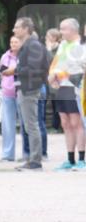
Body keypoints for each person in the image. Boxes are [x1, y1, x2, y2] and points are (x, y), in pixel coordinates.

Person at [13, 18, 49, 171]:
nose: (14, 30)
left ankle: (35, 160)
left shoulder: (33, 45)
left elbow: (34, 69)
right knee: (28, 125)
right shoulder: (29, 45)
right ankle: (33, 159)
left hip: (30, 89)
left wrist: (14, 70)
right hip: (27, 88)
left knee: (32, 126)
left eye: (17, 27)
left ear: (26, 29)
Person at [50, 18, 86, 170]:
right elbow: (55, 62)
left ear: (73, 30)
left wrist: (63, 74)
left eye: (63, 29)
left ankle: (81, 159)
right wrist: (51, 75)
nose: (61, 32)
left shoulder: (81, 45)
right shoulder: (63, 45)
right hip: (62, 87)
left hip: (75, 87)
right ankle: (69, 159)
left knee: (76, 123)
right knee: (65, 123)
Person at [0, 35, 21, 162]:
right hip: (8, 92)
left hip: (21, 92)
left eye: (16, 42)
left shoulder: (23, 56)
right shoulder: (5, 56)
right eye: (11, 42)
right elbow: (1, 71)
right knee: (7, 125)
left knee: (25, 124)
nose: (13, 44)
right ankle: (8, 154)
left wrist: (13, 71)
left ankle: (27, 153)